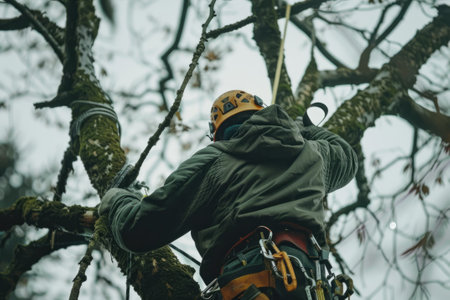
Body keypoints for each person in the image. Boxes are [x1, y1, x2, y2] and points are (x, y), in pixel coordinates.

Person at [99, 90, 358, 300]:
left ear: (217, 133)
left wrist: (118, 199)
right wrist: (301, 128)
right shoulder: (312, 152)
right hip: (311, 283)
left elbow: (138, 229)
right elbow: (346, 156)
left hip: (249, 282)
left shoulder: (215, 160)